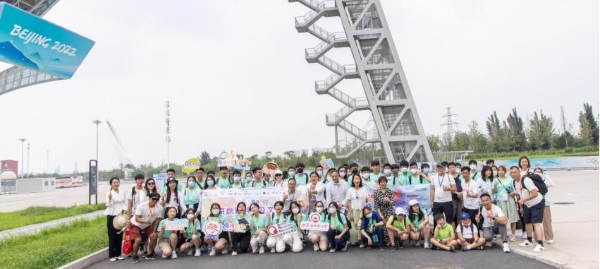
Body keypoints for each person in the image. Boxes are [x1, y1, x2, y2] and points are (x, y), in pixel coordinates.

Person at [511, 166, 545, 252]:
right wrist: (521, 207)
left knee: (536, 223)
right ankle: (529, 240)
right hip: (527, 204)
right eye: (511, 173)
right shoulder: (514, 182)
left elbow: (535, 193)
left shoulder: (526, 180)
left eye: (515, 172)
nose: (513, 174)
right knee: (527, 222)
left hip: (537, 202)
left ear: (519, 172)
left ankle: (540, 244)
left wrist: (523, 200)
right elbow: (519, 194)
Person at [130, 192, 164, 263]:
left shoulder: (160, 208)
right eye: (153, 199)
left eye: (157, 200)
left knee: (154, 236)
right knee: (138, 240)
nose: (155, 201)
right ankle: (135, 255)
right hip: (136, 224)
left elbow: (157, 220)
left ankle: (150, 253)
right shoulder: (141, 206)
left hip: (148, 225)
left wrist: (154, 231)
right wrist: (145, 221)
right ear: (149, 198)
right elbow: (137, 218)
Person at [493, 165, 520, 241]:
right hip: (500, 200)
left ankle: (513, 234)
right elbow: (494, 191)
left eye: (502, 170)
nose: (500, 172)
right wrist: (495, 186)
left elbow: (515, 189)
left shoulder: (510, 179)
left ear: (505, 171)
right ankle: (504, 234)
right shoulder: (496, 180)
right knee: (502, 217)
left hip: (509, 199)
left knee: (512, 217)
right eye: (499, 170)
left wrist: (513, 193)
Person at [430, 162, 457, 229]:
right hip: (437, 201)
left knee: (449, 219)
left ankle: (450, 234)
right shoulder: (433, 177)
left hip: (447, 201)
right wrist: (432, 201)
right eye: (438, 167)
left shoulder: (449, 176)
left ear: (445, 168)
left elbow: (454, 189)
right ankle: (437, 234)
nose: (439, 169)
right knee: (436, 218)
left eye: (441, 167)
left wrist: (448, 188)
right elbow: (432, 190)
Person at [105, 177, 126, 261]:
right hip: (112, 215)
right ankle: (112, 255)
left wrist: (124, 211)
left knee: (119, 234)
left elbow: (125, 203)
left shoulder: (122, 192)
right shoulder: (109, 193)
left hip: (120, 215)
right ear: (111, 184)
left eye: (117, 182)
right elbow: (108, 205)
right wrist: (109, 198)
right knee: (112, 235)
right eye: (114, 183)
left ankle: (118, 253)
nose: (116, 184)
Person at [346, 174, 368, 245]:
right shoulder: (350, 190)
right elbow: (349, 202)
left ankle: (361, 240)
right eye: (355, 179)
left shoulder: (363, 189)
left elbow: (366, 200)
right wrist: (351, 212)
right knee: (353, 227)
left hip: (361, 211)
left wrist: (366, 199)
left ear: (360, 180)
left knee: (360, 226)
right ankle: (354, 240)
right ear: (353, 180)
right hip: (353, 210)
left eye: (358, 179)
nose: (357, 180)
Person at [534, 167, 554, 244]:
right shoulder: (532, 181)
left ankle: (549, 237)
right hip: (535, 203)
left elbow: (552, 183)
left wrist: (546, 175)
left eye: (539, 172)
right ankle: (537, 238)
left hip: (545, 203)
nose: (537, 173)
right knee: (536, 222)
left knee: (547, 221)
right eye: (536, 171)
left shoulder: (545, 181)